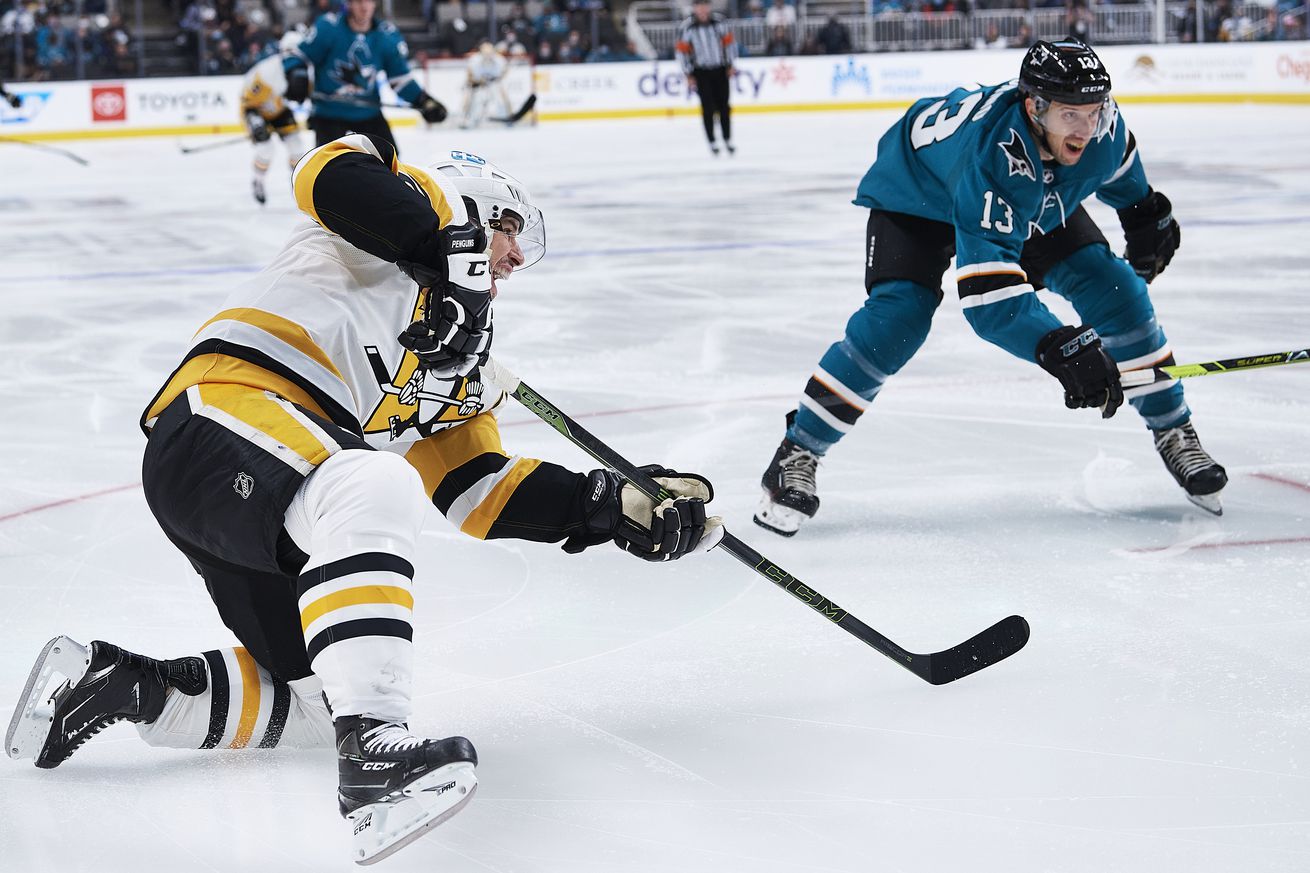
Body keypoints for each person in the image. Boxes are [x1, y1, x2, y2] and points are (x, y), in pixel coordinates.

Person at [6, 139, 723, 864]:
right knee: (374, 481)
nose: (512, 260)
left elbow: (477, 492)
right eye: (510, 233)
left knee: (317, 698)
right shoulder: (414, 206)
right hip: (223, 415)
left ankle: (130, 686)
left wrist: (603, 504)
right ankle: (376, 753)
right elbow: (324, 172)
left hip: (251, 494)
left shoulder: (456, 345)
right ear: (479, 207)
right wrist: (455, 263)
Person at [754, 40, 1227, 536]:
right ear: (1034, 107)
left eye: (1094, 111)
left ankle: (1175, 430)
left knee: (1117, 290)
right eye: (1071, 115)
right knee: (898, 319)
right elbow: (988, 301)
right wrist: (1058, 347)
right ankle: (799, 449)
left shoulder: (1100, 129)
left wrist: (1142, 209)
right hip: (919, 195)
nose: (1087, 129)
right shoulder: (992, 157)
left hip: (1023, 196)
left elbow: (1120, 164)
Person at [283, 0, 447, 151]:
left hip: (368, 114)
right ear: (349, 4)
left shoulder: (386, 35)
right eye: (359, 1)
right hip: (329, 114)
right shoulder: (328, 27)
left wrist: (422, 100)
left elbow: (399, 78)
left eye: (369, 1)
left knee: (390, 160)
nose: (364, 7)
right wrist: (297, 75)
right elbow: (298, 56)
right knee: (328, 170)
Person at [240, 30, 311, 204]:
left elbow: (306, 95)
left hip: (280, 110)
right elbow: (247, 101)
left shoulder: (305, 68)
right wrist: (255, 122)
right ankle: (258, 181)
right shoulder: (266, 72)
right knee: (266, 148)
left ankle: (297, 183)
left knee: (296, 146)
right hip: (256, 110)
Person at [675, 0, 738, 156]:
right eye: (699, 6)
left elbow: (729, 44)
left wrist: (730, 64)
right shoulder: (687, 27)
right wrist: (688, 73)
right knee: (708, 107)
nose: (702, 9)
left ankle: (727, 139)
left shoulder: (720, 23)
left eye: (705, 5)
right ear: (695, 8)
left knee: (724, 106)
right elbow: (681, 52)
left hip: (720, 69)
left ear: (709, 7)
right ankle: (712, 141)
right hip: (701, 72)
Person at [460, 40, 512, 128]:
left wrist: (498, 79)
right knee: (476, 101)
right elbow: (470, 75)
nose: (488, 55)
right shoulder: (475, 60)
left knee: (501, 100)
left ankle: (506, 119)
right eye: (485, 52)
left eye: (489, 52)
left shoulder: (499, 59)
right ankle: (469, 121)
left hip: (494, 83)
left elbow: (505, 71)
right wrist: (476, 83)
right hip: (480, 84)